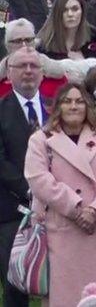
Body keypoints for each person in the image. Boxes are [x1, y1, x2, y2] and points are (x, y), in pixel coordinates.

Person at [24, 82, 96, 306]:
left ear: (88, 106)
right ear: (57, 106)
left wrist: (95, 210)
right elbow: (38, 179)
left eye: (79, 101)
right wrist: (76, 208)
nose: (73, 106)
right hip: (60, 227)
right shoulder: (40, 139)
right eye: (67, 101)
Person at [0, 47, 42, 307]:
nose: (28, 71)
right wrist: (32, 190)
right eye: (21, 66)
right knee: (16, 284)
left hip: (60, 208)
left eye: (33, 66)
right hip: (11, 212)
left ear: (42, 72)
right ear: (8, 73)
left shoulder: (61, 107)